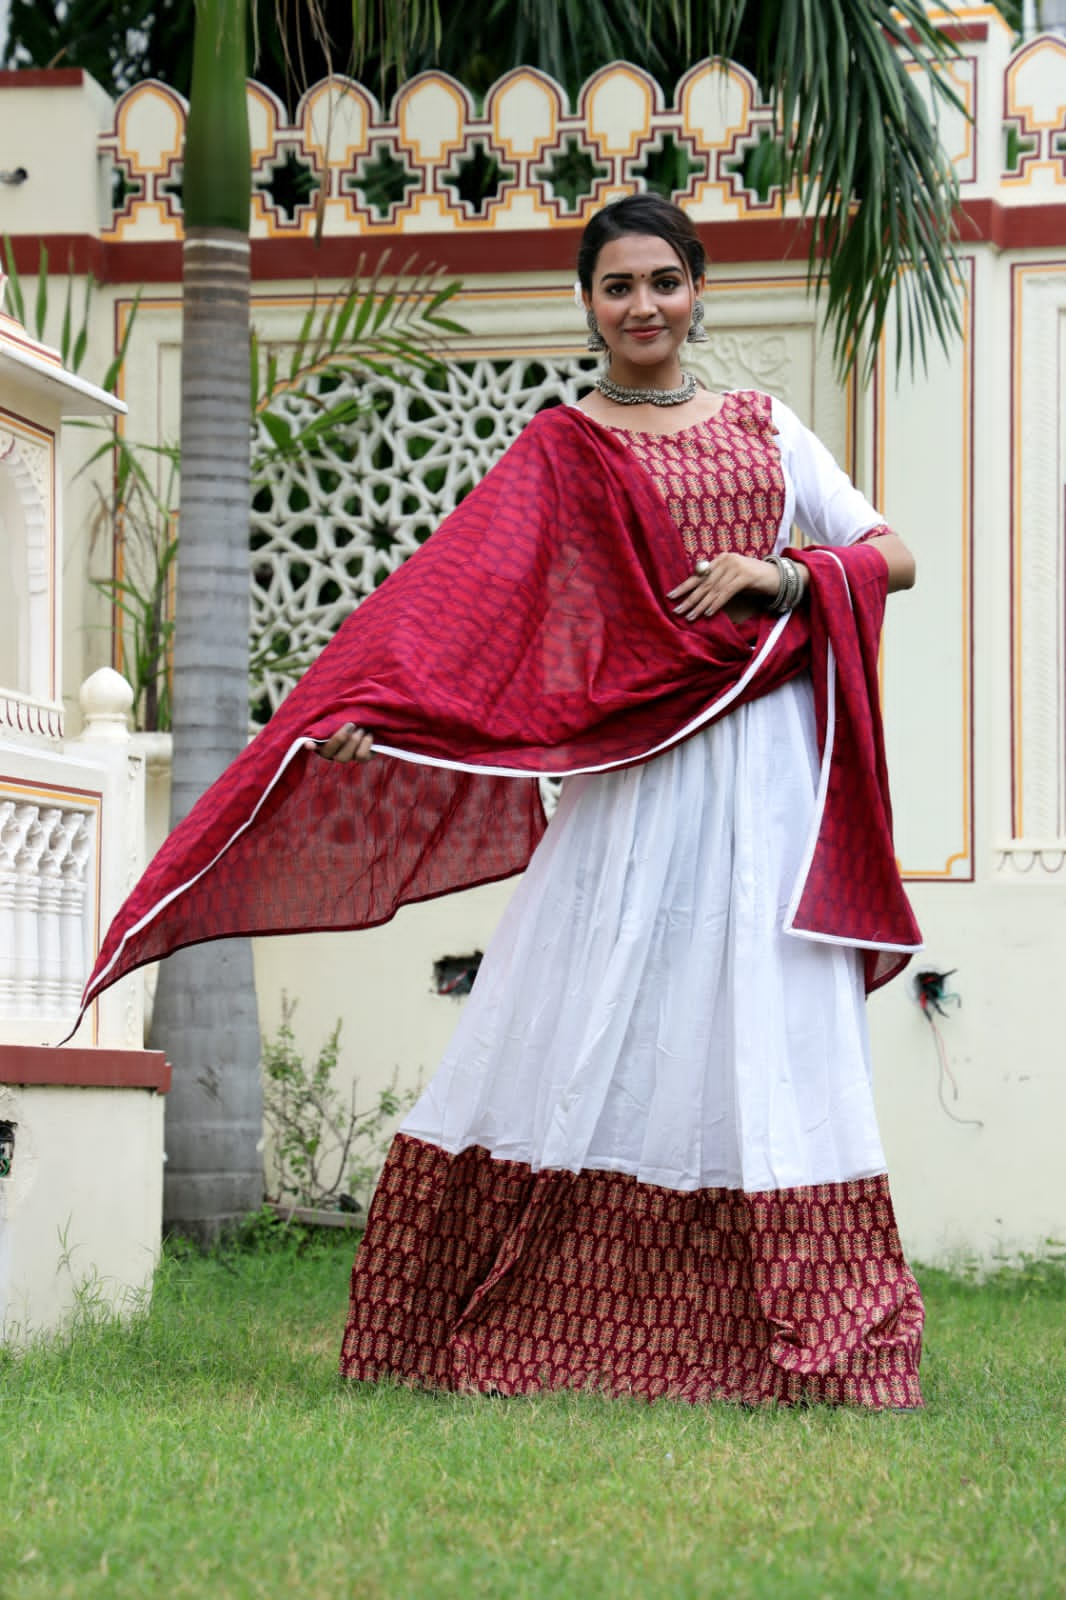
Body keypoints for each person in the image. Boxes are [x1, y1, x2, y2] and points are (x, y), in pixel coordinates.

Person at [78, 194, 923, 1409]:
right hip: (633, 776)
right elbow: (474, 609)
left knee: (762, 1009)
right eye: (618, 286)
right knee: (579, 996)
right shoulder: (561, 448)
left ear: (698, 290)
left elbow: (890, 553)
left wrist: (779, 573)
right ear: (588, 303)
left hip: (767, 774)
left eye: (663, 281)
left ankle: (792, 1317)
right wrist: (383, 704)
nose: (643, 306)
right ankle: (527, 1305)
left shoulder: (766, 424)